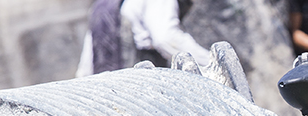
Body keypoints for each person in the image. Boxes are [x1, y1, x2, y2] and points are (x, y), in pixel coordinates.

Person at [76, 0, 209, 77]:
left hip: (109, 91)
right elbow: (166, 39)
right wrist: (210, 61)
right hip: (141, 83)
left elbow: (87, 63)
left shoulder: (101, 5)